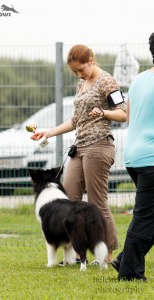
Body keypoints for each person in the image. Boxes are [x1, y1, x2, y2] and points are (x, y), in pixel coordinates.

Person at [31, 44, 126, 264]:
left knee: (97, 202)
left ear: (91, 60)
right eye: (74, 72)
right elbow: (76, 120)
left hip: (99, 146)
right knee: (69, 199)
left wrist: (103, 112)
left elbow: (123, 114)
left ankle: (109, 255)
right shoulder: (82, 83)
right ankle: (75, 254)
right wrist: (49, 132)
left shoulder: (108, 82)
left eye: (81, 69)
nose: (79, 75)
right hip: (79, 147)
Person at [111, 32, 154, 281]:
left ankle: (124, 259)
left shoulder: (139, 80)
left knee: (150, 215)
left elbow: (128, 115)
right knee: (146, 216)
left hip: (134, 156)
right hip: (151, 160)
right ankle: (129, 272)